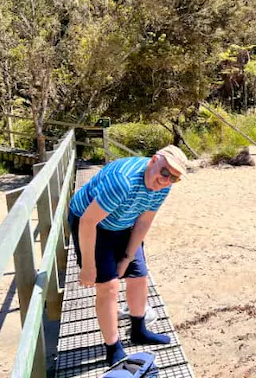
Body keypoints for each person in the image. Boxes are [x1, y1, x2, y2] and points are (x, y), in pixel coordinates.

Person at [68, 145, 189, 365]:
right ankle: (113, 348)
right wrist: (88, 266)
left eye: (174, 178)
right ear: (153, 160)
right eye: (164, 172)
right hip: (91, 223)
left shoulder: (164, 186)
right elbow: (88, 221)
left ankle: (139, 330)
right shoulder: (122, 182)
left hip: (124, 222)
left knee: (139, 276)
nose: (166, 180)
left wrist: (126, 258)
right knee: (108, 286)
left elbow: (144, 221)